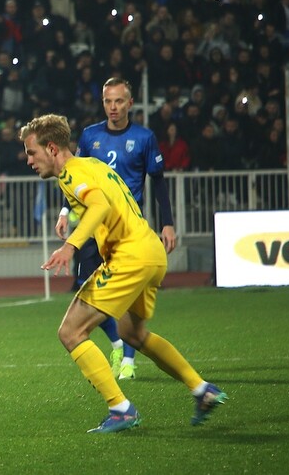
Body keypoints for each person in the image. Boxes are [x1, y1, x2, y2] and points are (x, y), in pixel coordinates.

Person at [21, 113, 226, 433]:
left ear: (51, 148)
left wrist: (70, 246)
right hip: (151, 253)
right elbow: (103, 199)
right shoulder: (92, 165)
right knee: (133, 334)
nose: (28, 159)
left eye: (31, 152)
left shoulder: (73, 173)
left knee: (70, 332)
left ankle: (121, 408)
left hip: (128, 257)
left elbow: (99, 205)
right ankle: (202, 390)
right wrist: (69, 213)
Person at [55, 77, 177, 381]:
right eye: (108, 101)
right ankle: (118, 343)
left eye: (119, 101)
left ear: (130, 103)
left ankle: (128, 360)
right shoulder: (90, 136)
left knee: (125, 298)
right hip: (96, 228)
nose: (113, 107)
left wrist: (167, 222)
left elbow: (158, 181)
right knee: (86, 285)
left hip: (126, 230)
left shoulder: (144, 137)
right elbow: (76, 177)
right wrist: (64, 210)